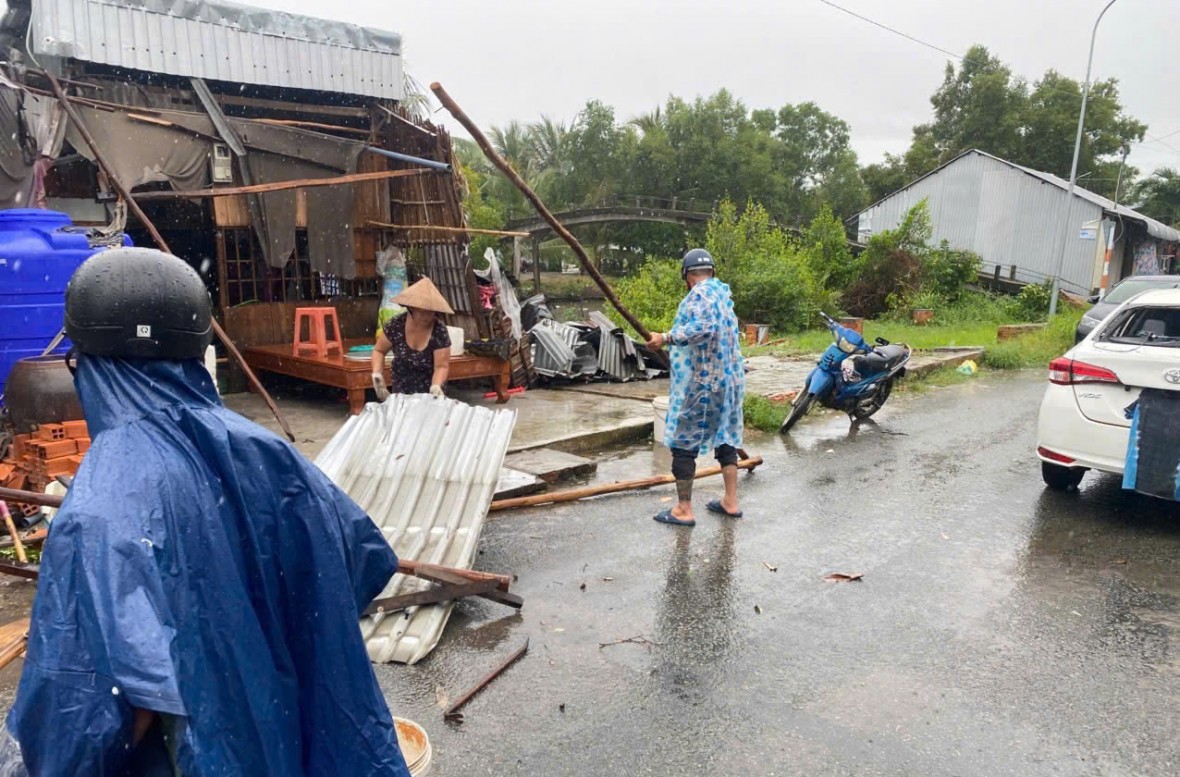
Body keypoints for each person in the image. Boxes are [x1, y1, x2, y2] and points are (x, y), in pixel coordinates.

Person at [4, 248, 410, 776]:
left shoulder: (99, 509)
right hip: (297, 736)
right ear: (198, 352)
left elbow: (86, 715)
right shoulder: (270, 453)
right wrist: (261, 650)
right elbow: (362, 558)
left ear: (89, 364)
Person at [646, 248, 745, 527]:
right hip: (730, 382)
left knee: (683, 442)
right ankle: (730, 501)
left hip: (706, 384)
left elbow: (703, 328)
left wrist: (666, 337)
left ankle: (683, 509)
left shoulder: (700, 294)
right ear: (711, 271)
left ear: (687, 276)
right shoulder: (722, 296)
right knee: (725, 436)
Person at [371, 277, 455, 400]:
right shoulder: (396, 325)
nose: (427, 316)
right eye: (422, 312)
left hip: (429, 395)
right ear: (411, 308)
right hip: (401, 392)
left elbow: (441, 366)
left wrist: (436, 386)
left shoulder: (439, 331)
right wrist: (377, 373)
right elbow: (379, 350)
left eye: (431, 312)